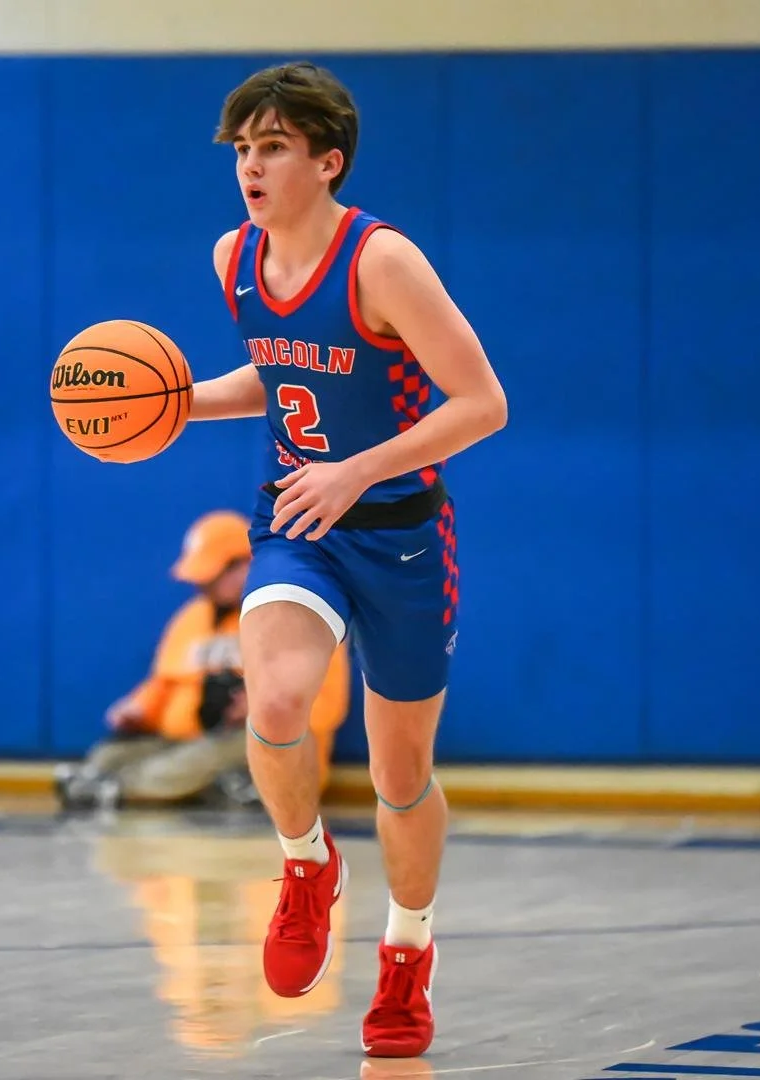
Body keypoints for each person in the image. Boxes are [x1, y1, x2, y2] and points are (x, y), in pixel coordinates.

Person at [184, 61, 509, 1059]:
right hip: (297, 520)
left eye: (273, 147)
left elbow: (481, 404)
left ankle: (407, 950)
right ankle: (305, 864)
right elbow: (277, 373)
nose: (251, 166)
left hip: (403, 534)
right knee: (277, 699)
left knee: (400, 776)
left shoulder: (382, 262)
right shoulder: (234, 259)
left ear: (327, 161)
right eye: (243, 149)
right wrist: (175, 404)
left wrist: (355, 473)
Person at [54, 509, 350, 811]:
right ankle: (213, 787)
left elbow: (328, 706)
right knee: (110, 755)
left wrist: (265, 707)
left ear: (246, 564)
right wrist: (140, 709)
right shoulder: (193, 616)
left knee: (198, 758)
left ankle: (116, 791)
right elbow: (165, 683)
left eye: (210, 577)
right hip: (195, 738)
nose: (202, 586)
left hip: (270, 742)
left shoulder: (299, 616)